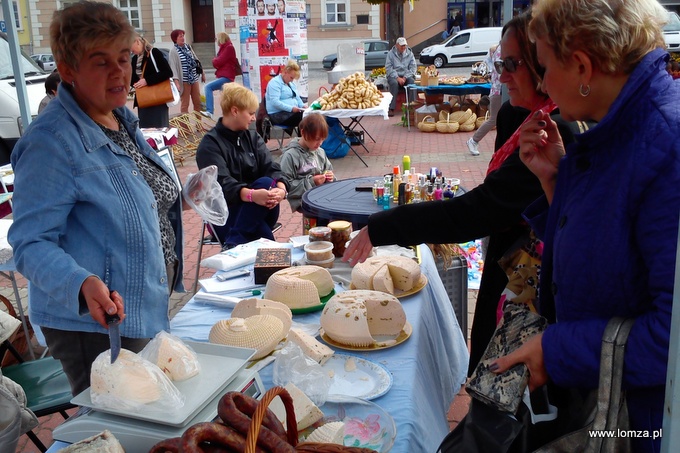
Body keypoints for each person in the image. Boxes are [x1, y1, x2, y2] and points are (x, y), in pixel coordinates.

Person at [343, 11, 582, 377]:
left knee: (505, 395)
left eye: (513, 63)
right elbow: (494, 198)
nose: (501, 74)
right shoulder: (516, 117)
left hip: (529, 287)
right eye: (501, 62)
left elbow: (478, 211)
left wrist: (383, 227)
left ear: (543, 63)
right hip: (505, 261)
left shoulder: (558, 129)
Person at [492, 1, 680, 451]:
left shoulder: (665, 145)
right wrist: (557, 181)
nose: (543, 82)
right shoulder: (618, 130)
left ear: (581, 65)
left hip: (638, 424)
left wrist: (556, 351)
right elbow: (606, 253)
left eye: (544, 64)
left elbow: (670, 339)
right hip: (604, 400)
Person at [9, 0, 190, 396]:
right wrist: (81, 282)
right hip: (97, 324)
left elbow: (137, 191)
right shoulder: (51, 143)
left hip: (145, 306)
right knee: (129, 423)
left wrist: (185, 194)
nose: (119, 72)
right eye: (101, 61)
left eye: (124, 58)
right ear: (68, 67)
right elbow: (29, 244)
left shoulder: (118, 117)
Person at [196, 84, 288, 248]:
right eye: (251, 113)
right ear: (235, 111)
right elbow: (221, 184)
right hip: (224, 215)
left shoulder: (253, 138)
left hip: (262, 207)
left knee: (266, 183)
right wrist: (251, 195)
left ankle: (234, 242)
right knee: (258, 230)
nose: (254, 118)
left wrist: (281, 190)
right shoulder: (209, 145)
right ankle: (272, 263)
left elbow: (272, 168)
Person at [279, 112, 335, 213]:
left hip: (322, 196)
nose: (320, 143)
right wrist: (312, 181)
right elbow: (286, 185)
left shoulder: (320, 151)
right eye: (316, 139)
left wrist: (329, 176)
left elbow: (328, 169)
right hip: (304, 200)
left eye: (322, 140)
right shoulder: (290, 155)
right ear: (303, 133)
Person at [131, 34, 174, 128]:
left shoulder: (154, 52)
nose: (130, 50)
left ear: (137, 42)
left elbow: (168, 72)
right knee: (145, 130)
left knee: (159, 129)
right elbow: (133, 79)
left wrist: (147, 81)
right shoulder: (134, 58)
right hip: (143, 100)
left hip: (157, 98)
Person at [466, 44, 501, 156]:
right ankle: (474, 140)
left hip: (500, 89)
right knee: (494, 119)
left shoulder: (499, 50)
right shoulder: (500, 51)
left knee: (501, 120)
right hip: (498, 90)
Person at [202, 32, 238, 119]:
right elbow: (218, 61)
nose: (216, 41)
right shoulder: (224, 48)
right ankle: (229, 116)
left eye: (216, 38)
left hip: (227, 76)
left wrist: (215, 60)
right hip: (224, 75)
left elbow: (218, 61)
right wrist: (216, 60)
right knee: (225, 99)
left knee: (208, 87)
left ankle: (210, 111)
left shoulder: (228, 48)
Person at [169, 29, 205, 114]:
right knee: (185, 105)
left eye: (183, 36)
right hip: (184, 81)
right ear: (175, 39)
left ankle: (199, 125)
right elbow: (173, 67)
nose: (183, 38)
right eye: (180, 36)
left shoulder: (188, 47)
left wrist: (202, 73)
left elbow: (196, 60)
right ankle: (185, 127)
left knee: (197, 103)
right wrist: (176, 82)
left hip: (194, 79)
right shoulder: (173, 51)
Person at [264, 59, 306, 130]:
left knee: (308, 116)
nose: (292, 80)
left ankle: (304, 138)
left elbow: (297, 97)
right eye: (291, 77)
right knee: (304, 118)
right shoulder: (274, 83)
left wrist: (303, 106)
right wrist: (291, 109)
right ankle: (302, 139)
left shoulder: (290, 83)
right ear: (285, 72)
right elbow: (275, 102)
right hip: (277, 114)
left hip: (289, 112)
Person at [385, 37, 416, 117]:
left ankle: (411, 107)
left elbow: (413, 68)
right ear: (396, 45)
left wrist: (405, 77)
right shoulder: (390, 54)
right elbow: (388, 68)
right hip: (394, 76)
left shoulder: (410, 53)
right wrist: (397, 77)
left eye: (404, 45)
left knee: (411, 82)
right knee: (394, 84)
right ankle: (391, 108)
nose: (403, 47)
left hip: (406, 75)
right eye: (401, 45)